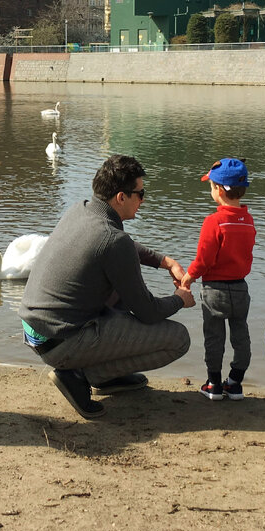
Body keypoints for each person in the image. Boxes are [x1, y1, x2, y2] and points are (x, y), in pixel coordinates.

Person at [18, 154, 195, 419]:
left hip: (37, 331)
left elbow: (117, 246)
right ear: (121, 197)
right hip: (59, 341)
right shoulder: (113, 240)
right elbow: (147, 311)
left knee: (119, 293)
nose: (143, 199)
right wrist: (180, 299)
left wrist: (164, 261)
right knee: (179, 339)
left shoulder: (82, 209)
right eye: (140, 193)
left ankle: (107, 376)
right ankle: (81, 375)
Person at [180, 158, 256, 401]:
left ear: (219, 190)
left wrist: (188, 278)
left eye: (211, 185)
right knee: (241, 335)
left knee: (214, 338)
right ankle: (235, 382)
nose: (210, 189)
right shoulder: (248, 220)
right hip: (240, 289)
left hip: (215, 291)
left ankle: (213, 384)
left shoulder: (214, 222)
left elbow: (203, 260)